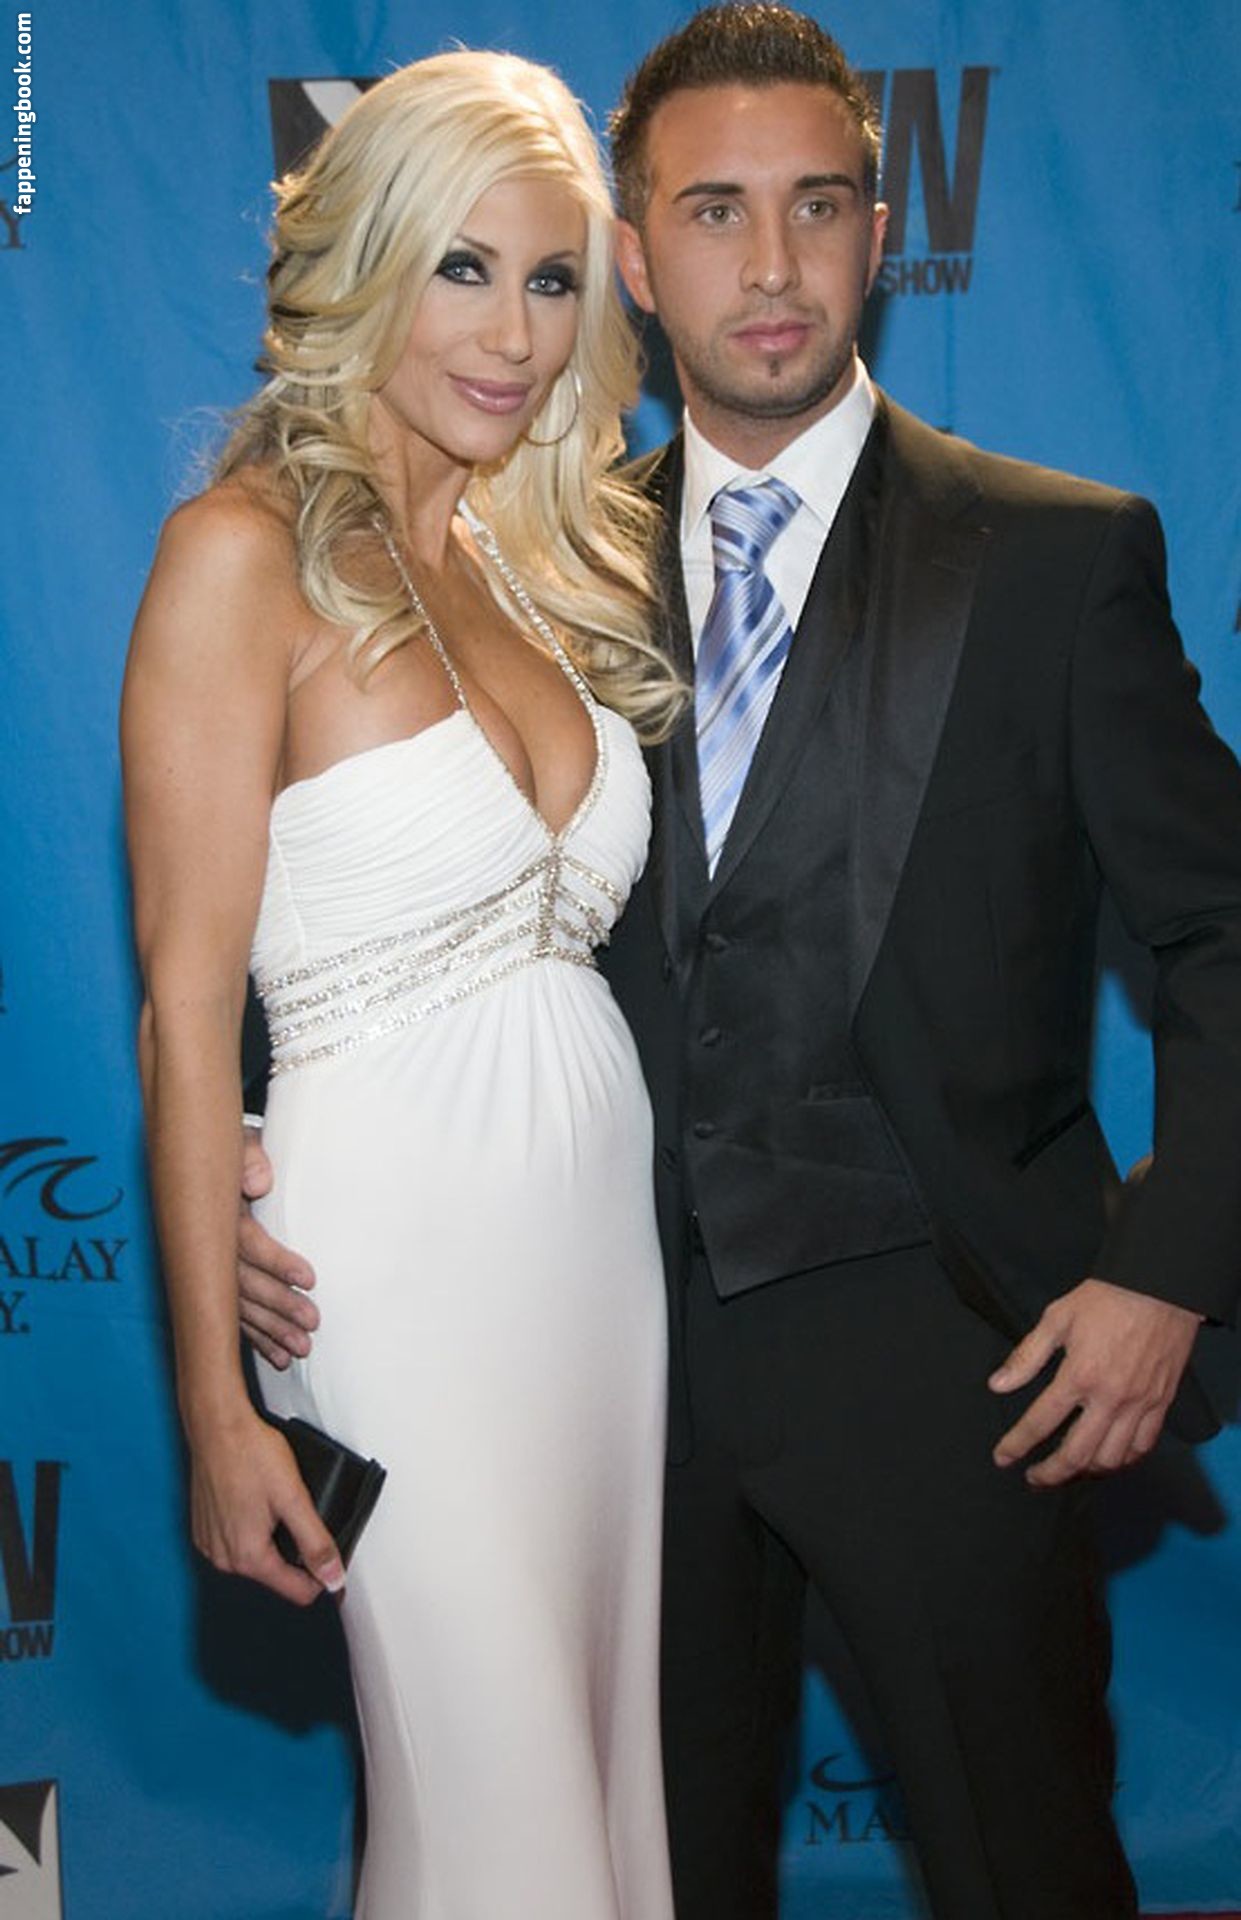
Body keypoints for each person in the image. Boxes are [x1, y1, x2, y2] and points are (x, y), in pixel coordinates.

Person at [238, 8, 1241, 1918]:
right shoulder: (526, 563)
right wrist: (233, 1151)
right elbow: (316, 857)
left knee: (1028, 1866)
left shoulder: (1055, 560)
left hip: (956, 1364)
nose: (770, 266)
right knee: (649, 1874)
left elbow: (1229, 927)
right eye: (712, 212)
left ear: (882, 229)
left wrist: (1166, 1273)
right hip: (593, 1354)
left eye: (816, 206)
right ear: (632, 256)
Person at [122, 48, 685, 1920]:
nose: (513, 334)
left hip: (590, 1278)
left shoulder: (535, 577)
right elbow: (184, 1008)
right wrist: (217, 1408)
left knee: (584, 1793)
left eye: (551, 279)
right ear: (364, 261)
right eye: (462, 268)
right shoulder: (237, 559)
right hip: (391, 1271)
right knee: (498, 1809)